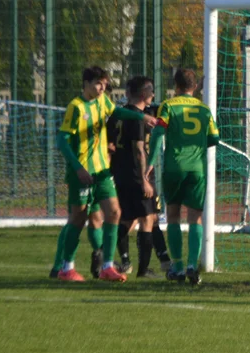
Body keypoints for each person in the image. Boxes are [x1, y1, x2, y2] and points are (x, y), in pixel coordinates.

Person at [50, 66, 157, 282]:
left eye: (105, 84)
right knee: (78, 219)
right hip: (82, 172)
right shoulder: (76, 107)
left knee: (114, 213)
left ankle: (108, 266)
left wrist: (141, 117)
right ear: (86, 83)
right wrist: (78, 168)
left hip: (102, 171)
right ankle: (66, 268)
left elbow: (116, 112)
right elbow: (61, 140)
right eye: (98, 84)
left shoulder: (103, 101)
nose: (102, 88)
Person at [149, 68, 220, 284]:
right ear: (195, 86)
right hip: (197, 169)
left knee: (172, 216)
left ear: (176, 86)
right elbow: (214, 138)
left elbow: (158, 133)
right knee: (195, 217)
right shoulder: (204, 109)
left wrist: (150, 163)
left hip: (174, 167)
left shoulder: (168, 106)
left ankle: (177, 266)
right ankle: (192, 265)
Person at [106, 76, 161, 279]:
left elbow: (110, 144)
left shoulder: (116, 115)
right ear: (144, 94)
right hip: (136, 175)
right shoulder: (136, 117)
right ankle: (143, 269)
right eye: (151, 92)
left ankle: (103, 253)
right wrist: (144, 179)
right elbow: (139, 150)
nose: (153, 95)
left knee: (128, 219)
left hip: (119, 173)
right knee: (146, 219)